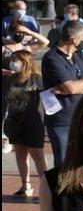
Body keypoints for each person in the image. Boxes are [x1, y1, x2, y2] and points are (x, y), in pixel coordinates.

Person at [42, 20, 83, 167]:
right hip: (61, 120)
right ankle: (62, 190)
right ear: (74, 40)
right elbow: (71, 88)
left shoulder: (81, 55)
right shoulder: (52, 57)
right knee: (63, 163)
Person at [3, 49, 46, 196]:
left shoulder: (36, 79)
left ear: (25, 62)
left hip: (33, 122)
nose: (13, 63)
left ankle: (45, 187)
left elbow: (47, 99)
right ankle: (25, 185)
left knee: (38, 156)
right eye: (12, 59)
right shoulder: (10, 79)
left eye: (16, 60)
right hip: (15, 121)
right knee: (20, 154)